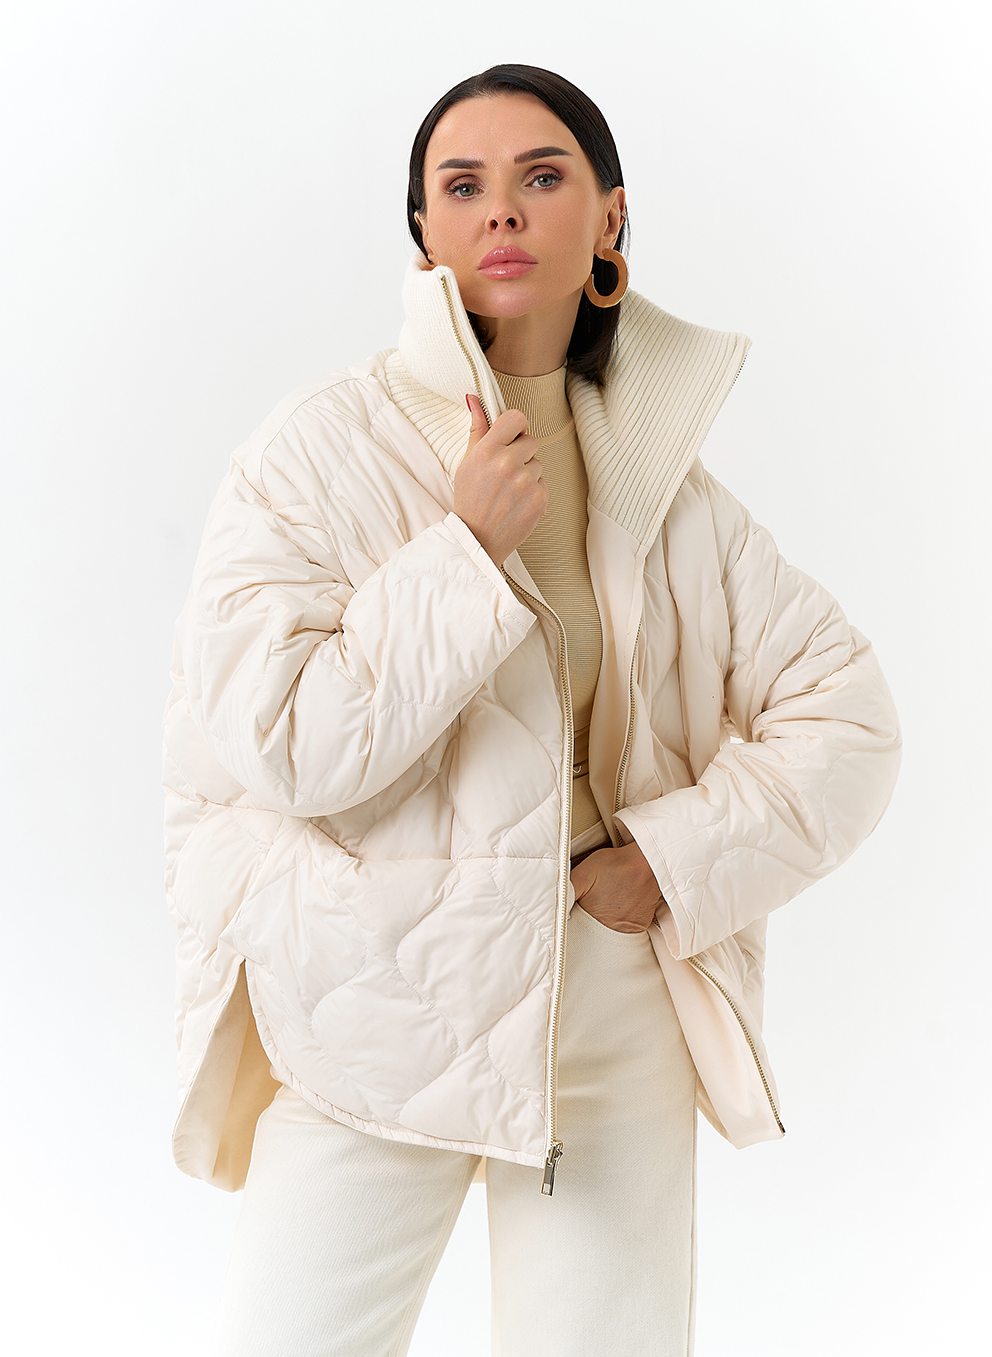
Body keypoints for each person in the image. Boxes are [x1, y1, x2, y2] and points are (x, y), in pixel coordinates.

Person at [164, 64, 901, 1356]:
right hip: (370, 994)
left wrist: (669, 860)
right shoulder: (312, 453)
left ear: (608, 218)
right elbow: (284, 744)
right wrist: (463, 552)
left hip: (604, 1002)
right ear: (424, 235)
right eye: (463, 186)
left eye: (541, 176)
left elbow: (849, 720)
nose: (501, 210)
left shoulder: (662, 485)